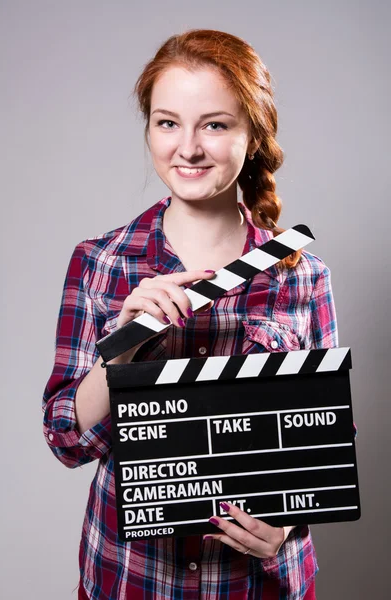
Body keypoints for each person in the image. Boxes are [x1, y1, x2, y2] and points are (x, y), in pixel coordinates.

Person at [42, 28, 346, 600]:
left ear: (253, 135)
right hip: (131, 577)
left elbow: (325, 442)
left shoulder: (303, 276)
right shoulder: (101, 262)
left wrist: (287, 523)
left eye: (215, 123)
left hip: (256, 584)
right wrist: (125, 350)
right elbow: (65, 439)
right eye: (167, 122)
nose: (188, 147)